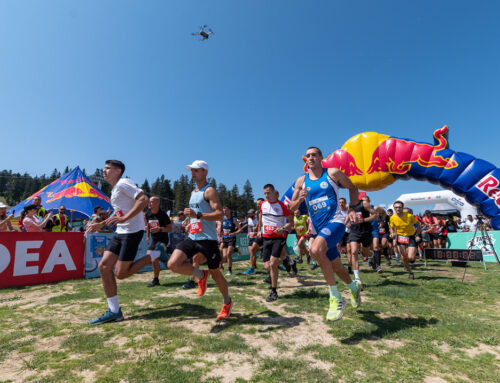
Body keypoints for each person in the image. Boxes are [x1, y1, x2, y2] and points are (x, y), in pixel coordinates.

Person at [289, 146, 361, 321]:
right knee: (336, 265)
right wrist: (299, 198)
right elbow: (291, 208)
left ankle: (335, 297)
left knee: (315, 249)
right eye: (308, 156)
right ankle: (353, 288)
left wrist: (352, 208)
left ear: (321, 157)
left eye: (314, 155)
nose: (310, 158)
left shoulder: (332, 173)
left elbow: (353, 187)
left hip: (336, 221)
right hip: (318, 228)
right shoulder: (301, 181)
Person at [87, 160, 153, 325]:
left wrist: (123, 218)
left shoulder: (124, 182)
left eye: (108, 168)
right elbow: (118, 213)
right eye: (104, 167)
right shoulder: (115, 188)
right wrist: (101, 224)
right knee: (103, 266)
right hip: (120, 232)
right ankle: (114, 311)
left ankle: (156, 255)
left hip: (132, 232)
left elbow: (143, 199)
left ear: (118, 171)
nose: (104, 170)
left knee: (121, 273)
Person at [167, 160, 233, 320]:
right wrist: (190, 222)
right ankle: (201, 276)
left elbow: (219, 214)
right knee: (172, 264)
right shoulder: (192, 192)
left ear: (205, 172)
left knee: (216, 274)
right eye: (192, 171)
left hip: (208, 239)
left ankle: (227, 302)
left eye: (196, 170)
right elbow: (195, 214)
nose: (193, 173)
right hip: (193, 237)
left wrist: (198, 216)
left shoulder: (209, 191)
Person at [256, 184, 293, 302]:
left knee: (272, 264)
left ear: (274, 192)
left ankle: (273, 291)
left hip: (279, 237)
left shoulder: (282, 206)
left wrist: (282, 228)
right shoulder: (263, 204)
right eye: (265, 193)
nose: (266, 195)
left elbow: (290, 223)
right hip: (266, 237)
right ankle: (285, 260)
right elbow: (261, 216)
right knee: (267, 266)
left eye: (268, 193)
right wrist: (258, 230)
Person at [347, 195, 377, 287]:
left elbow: (375, 215)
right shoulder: (350, 206)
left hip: (365, 231)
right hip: (354, 231)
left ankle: (371, 256)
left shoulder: (364, 203)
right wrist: (345, 224)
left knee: (365, 252)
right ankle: (357, 278)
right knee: (354, 251)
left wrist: (363, 220)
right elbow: (348, 216)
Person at [145, 196, 173, 287]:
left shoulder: (163, 215)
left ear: (157, 203)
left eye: (152, 202)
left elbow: (170, 228)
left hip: (162, 240)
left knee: (151, 256)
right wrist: (147, 237)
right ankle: (156, 279)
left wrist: (159, 229)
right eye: (149, 201)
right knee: (152, 260)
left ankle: (164, 257)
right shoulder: (147, 214)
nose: (149, 203)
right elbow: (148, 226)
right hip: (154, 240)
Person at [389, 200, 421, 280]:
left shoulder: (409, 216)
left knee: (410, 257)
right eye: (396, 207)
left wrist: (417, 234)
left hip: (410, 237)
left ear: (402, 208)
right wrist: (392, 233)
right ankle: (410, 272)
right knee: (403, 257)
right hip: (400, 237)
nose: (398, 209)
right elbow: (392, 227)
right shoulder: (392, 218)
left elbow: (418, 224)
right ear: (394, 208)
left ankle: (413, 253)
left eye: (400, 207)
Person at [220, 206, 240, 276]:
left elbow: (240, 229)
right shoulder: (222, 219)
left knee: (228, 254)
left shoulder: (233, 219)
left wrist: (234, 233)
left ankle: (229, 270)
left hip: (231, 238)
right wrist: (220, 236)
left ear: (229, 210)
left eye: (226, 210)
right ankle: (236, 250)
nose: (224, 212)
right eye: (223, 211)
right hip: (225, 239)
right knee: (224, 256)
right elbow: (221, 229)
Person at [243, 207, 261, 275]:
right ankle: (253, 265)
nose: (249, 215)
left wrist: (257, 232)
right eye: (249, 214)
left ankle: (252, 267)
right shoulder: (249, 219)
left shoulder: (257, 219)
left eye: (251, 214)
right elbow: (249, 227)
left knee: (253, 252)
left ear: (254, 214)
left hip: (256, 237)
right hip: (251, 236)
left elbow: (260, 227)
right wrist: (248, 233)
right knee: (251, 252)